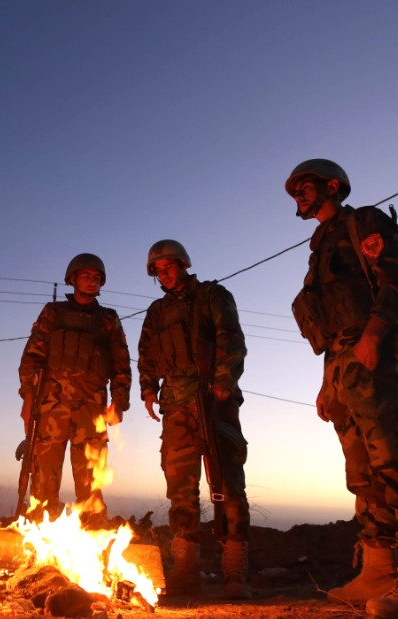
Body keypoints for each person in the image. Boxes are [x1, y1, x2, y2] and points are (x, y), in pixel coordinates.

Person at [286, 159, 398, 618]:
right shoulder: (319, 246)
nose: (298, 195)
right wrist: (327, 381)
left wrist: (375, 336)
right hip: (340, 362)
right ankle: (379, 570)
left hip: (369, 352)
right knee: (361, 471)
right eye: (295, 190)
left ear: (333, 186)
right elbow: (326, 322)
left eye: (305, 186)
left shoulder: (362, 222)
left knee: (393, 458)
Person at [137, 240, 251, 599]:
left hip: (213, 400)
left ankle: (235, 572)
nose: (165, 272)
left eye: (170, 265)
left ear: (183, 264)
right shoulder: (155, 312)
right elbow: (146, 356)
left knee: (228, 483)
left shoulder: (212, 295)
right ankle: (186, 571)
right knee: (180, 490)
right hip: (176, 406)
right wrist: (148, 390)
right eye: (158, 268)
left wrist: (222, 381)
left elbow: (232, 340)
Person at [16, 253, 131, 528]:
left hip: (91, 409)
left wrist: (120, 401)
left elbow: (121, 364)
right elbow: (31, 356)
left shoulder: (108, 319)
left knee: (90, 478)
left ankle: (93, 537)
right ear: (72, 279)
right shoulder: (52, 313)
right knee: (44, 476)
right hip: (51, 406)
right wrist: (27, 398)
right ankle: (41, 535)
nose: (91, 282)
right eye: (86, 276)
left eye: (96, 278)